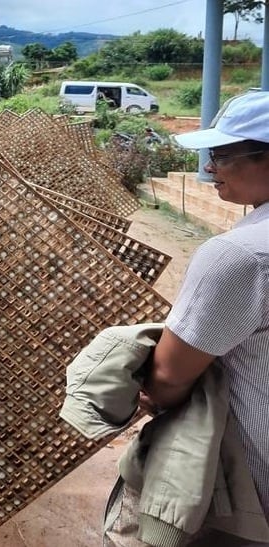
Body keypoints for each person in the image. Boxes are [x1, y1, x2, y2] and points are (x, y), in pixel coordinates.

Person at [144, 91, 269, 521]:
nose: (208, 168)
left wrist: (155, 393)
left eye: (221, 154)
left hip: (250, 484)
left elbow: (168, 375)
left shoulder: (240, 254)